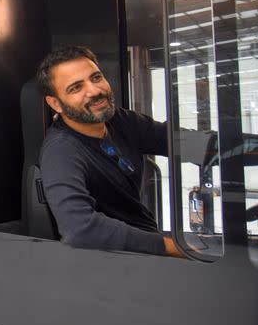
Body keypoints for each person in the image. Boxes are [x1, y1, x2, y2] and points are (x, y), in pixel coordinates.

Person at [36, 46, 183, 258]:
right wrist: (173, 248)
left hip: (147, 248)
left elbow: (176, 141)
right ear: (55, 103)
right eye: (76, 88)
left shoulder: (119, 121)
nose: (94, 91)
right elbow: (80, 230)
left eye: (96, 78)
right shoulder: (60, 151)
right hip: (117, 263)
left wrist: (234, 147)